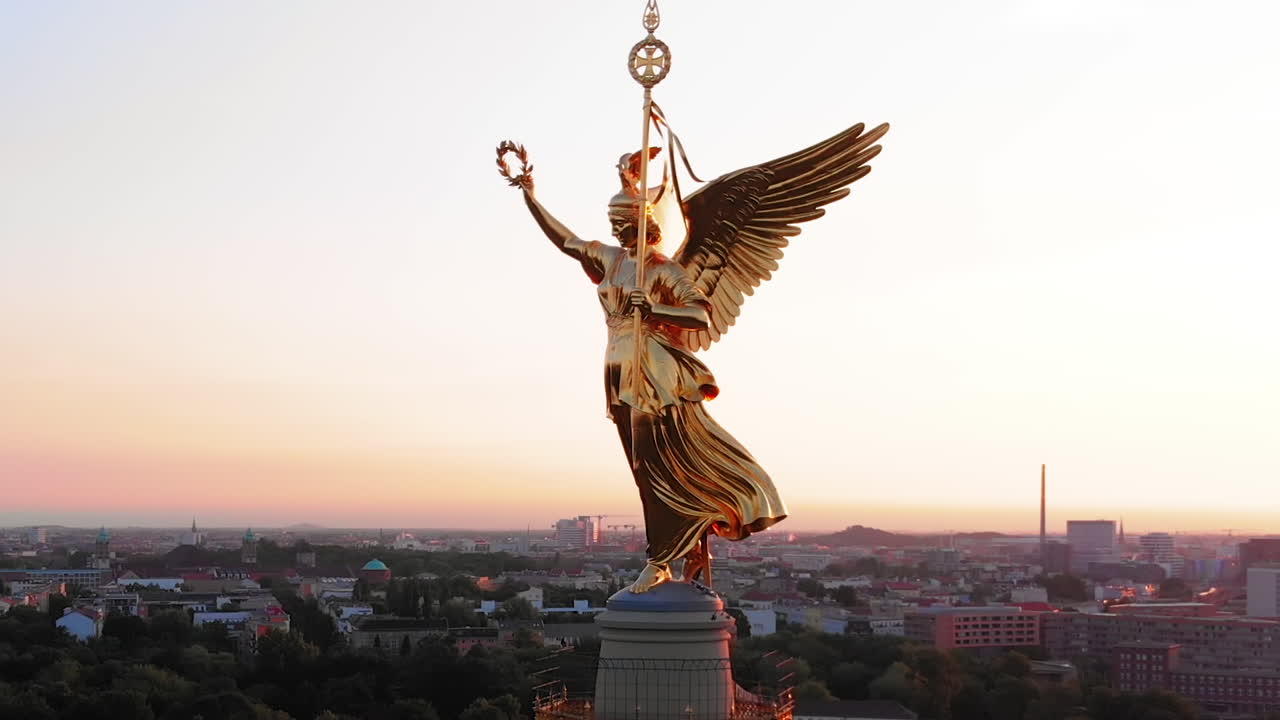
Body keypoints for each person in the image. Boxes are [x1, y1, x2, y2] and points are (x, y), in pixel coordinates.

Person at [515, 155, 786, 593]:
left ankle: (662, 558)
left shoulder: (664, 269)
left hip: (655, 372)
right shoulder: (611, 260)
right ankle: (687, 547)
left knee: (656, 465)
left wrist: (655, 308)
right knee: (642, 468)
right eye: (612, 221)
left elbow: (698, 314)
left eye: (621, 221)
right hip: (617, 368)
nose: (615, 229)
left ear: (642, 223)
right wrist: (531, 197)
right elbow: (566, 241)